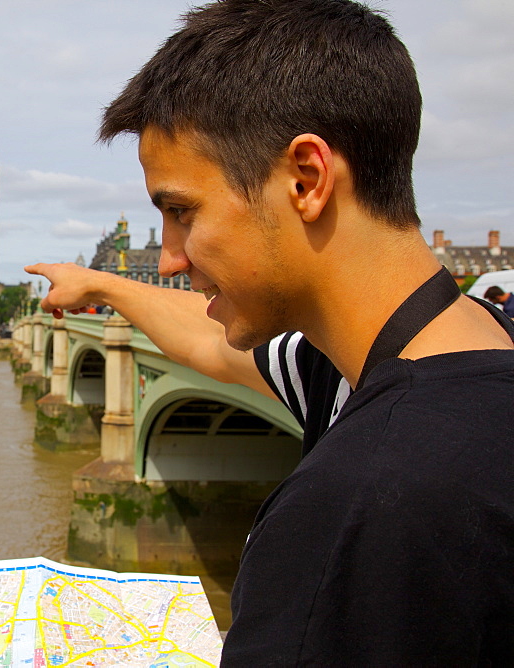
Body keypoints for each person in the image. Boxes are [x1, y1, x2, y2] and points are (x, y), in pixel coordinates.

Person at [26, 0, 514, 663]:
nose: (169, 256)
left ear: (307, 179)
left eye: (181, 210)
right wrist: (104, 284)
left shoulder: (357, 509)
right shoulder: (418, 354)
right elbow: (208, 344)